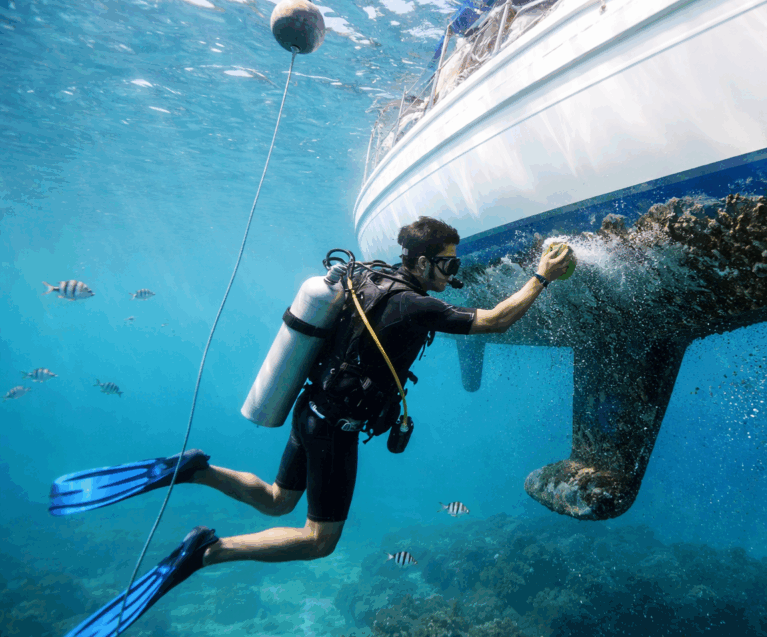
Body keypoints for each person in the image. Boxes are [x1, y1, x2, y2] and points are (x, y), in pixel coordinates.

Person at [52, 216, 575, 637]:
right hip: (334, 429)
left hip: (309, 409)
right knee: (318, 541)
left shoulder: (369, 275)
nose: (454, 272)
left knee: (280, 498)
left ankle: (194, 469)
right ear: (420, 262)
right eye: (448, 263)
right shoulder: (413, 301)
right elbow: (496, 320)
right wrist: (541, 276)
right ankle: (205, 554)